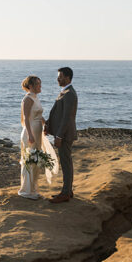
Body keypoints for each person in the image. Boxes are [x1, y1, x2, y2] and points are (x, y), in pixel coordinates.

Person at [18, 76, 59, 199]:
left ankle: (33, 189)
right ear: (30, 86)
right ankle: (26, 190)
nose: (40, 87)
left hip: (37, 132)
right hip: (30, 132)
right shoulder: (28, 99)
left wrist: (45, 124)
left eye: (40, 84)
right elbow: (26, 118)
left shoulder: (36, 98)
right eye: (38, 84)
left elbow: (38, 115)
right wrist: (30, 135)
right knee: (29, 160)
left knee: (36, 160)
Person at [44, 66, 78, 203]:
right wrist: (48, 125)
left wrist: (59, 136)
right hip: (61, 134)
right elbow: (57, 114)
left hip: (64, 135)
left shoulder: (69, 93)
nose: (58, 79)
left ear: (68, 77)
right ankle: (67, 191)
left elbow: (67, 118)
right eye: (58, 76)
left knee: (66, 163)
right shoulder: (65, 92)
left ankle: (65, 194)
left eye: (60, 76)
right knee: (66, 163)